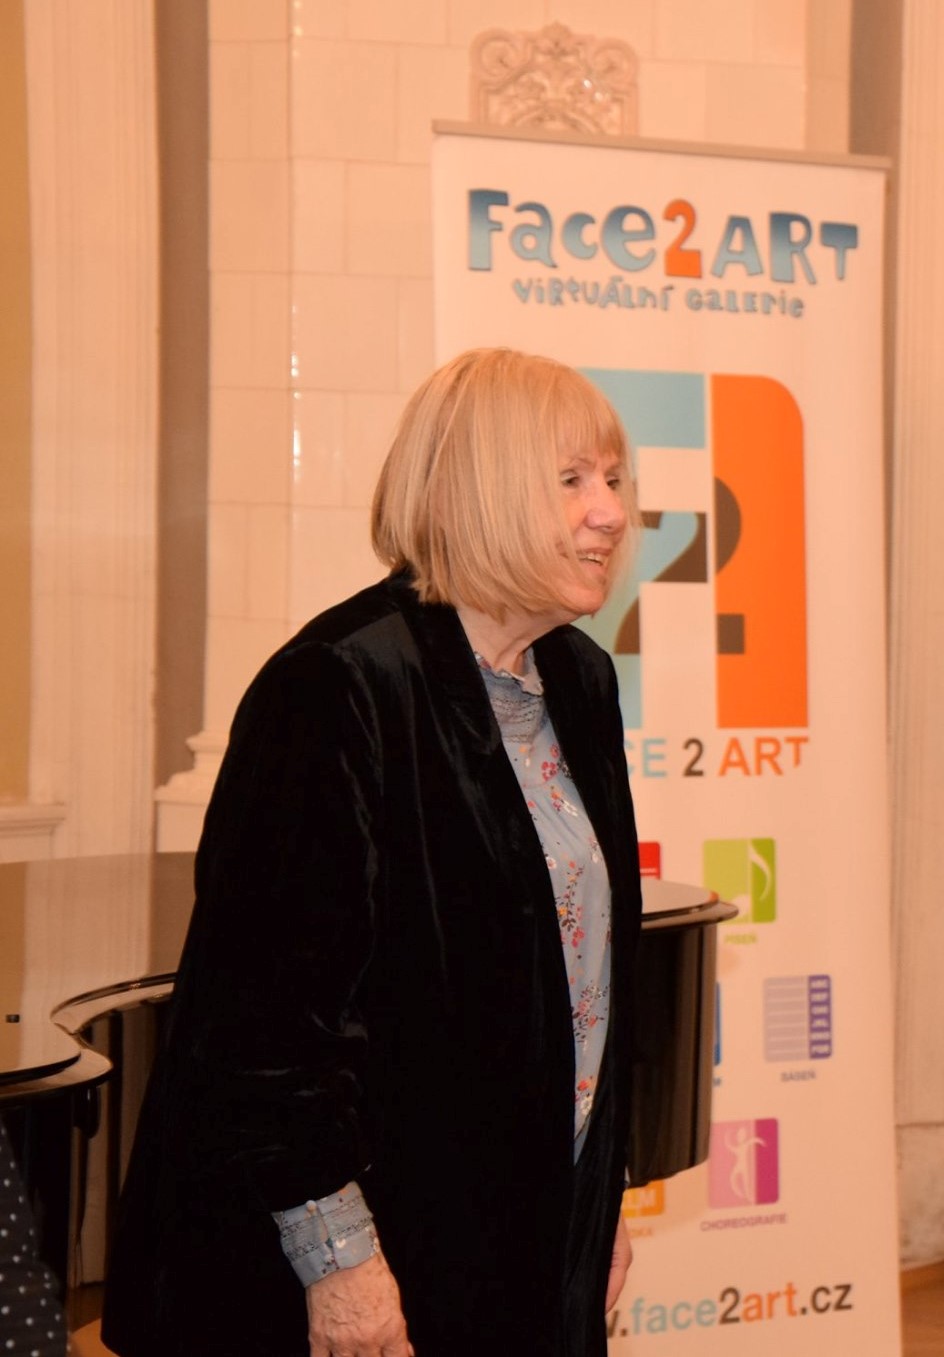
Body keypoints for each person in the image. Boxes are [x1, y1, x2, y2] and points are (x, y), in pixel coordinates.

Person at [102, 347, 643, 1357]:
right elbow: (264, 1027)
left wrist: (599, 1192)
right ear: (476, 491)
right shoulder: (336, 685)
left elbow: (592, 979)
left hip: (524, 1226)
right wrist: (342, 1263)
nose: (612, 512)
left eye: (612, 477)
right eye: (572, 479)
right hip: (364, 1249)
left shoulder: (579, 679)